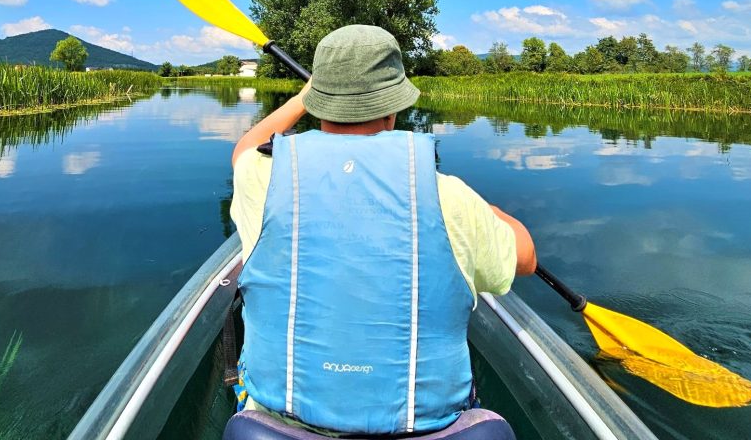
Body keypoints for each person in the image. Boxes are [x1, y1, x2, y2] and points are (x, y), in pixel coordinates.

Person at [229, 25, 536, 436]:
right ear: (393, 110)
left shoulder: (260, 178)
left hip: (279, 426)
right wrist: (492, 212)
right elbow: (527, 258)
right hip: (424, 427)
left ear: (318, 103)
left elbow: (245, 149)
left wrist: (308, 95)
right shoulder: (451, 197)